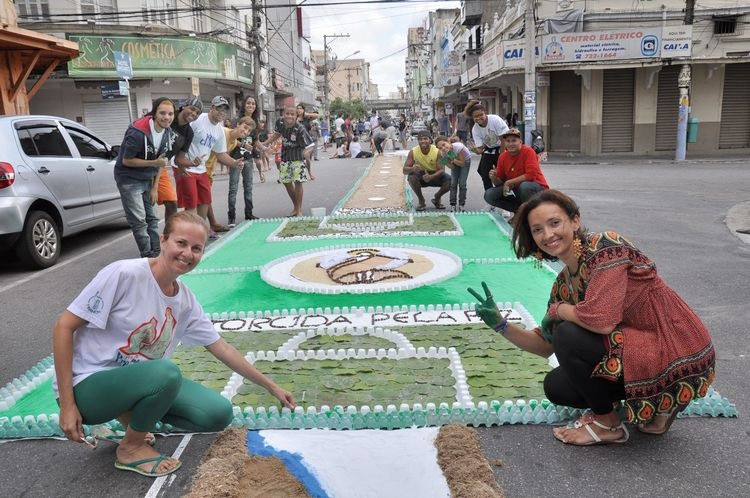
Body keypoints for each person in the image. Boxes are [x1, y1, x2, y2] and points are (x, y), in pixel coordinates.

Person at [53, 211, 295, 477]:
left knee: (217, 413)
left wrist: (272, 387)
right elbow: (64, 327)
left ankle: (130, 419)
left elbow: (222, 348)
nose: (187, 254)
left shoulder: (185, 301)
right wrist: (67, 405)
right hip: (87, 387)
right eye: (181, 243)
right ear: (164, 240)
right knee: (166, 373)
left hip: (131, 383)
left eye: (196, 248)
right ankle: (131, 448)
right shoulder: (124, 274)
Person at [468, 189, 715, 446]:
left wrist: (558, 311)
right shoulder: (564, 284)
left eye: (555, 223)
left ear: (575, 221)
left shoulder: (606, 247)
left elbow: (601, 321)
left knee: (567, 333)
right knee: (557, 386)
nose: (548, 234)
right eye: (537, 229)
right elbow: (545, 345)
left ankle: (609, 423)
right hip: (638, 346)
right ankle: (654, 402)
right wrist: (501, 324)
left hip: (675, 344)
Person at [114, 97, 177, 258]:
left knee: (153, 218)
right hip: (128, 178)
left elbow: (161, 162)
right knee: (139, 221)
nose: (167, 117)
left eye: (170, 114)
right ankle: (147, 255)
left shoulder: (168, 133)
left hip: (148, 178)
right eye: (162, 113)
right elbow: (126, 160)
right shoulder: (137, 132)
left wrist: (155, 187)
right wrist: (153, 162)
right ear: (154, 113)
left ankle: (157, 254)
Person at [177, 96, 243, 224]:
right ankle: (189, 233)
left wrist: (234, 163)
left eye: (225, 109)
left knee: (205, 201)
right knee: (191, 204)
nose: (222, 112)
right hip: (186, 166)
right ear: (212, 108)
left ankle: (200, 229)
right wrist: (180, 162)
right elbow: (180, 137)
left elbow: (220, 154)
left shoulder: (219, 130)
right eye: (219, 108)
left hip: (201, 169)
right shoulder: (198, 120)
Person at [262, 105, 315, 217]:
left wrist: (307, 153)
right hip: (285, 157)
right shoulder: (280, 123)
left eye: (292, 114)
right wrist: (265, 143)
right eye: (287, 113)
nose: (289, 116)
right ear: (283, 114)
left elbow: (311, 144)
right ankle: (295, 206)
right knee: (286, 182)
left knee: (298, 182)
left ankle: (299, 210)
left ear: (296, 116)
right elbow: (277, 134)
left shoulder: (300, 128)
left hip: (297, 158)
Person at [485, 128, 549, 217]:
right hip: (517, 190)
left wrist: (509, 182)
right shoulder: (503, 156)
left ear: (520, 142)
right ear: (505, 143)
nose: (510, 144)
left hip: (536, 189)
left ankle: (532, 215)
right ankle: (520, 212)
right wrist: (494, 177)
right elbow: (499, 183)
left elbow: (531, 175)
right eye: (508, 141)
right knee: (489, 195)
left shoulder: (528, 151)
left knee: (525, 186)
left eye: (514, 140)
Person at [157, 97, 203, 221]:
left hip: (159, 168)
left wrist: (192, 163)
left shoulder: (189, 133)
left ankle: (169, 236)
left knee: (172, 203)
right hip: (145, 163)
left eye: (197, 113)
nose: (194, 114)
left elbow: (179, 159)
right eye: (192, 109)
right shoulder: (170, 118)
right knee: (148, 207)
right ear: (184, 106)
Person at [205, 117, 255, 225]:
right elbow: (220, 155)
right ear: (238, 124)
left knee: (205, 199)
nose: (246, 132)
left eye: (249, 131)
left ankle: (212, 224)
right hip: (199, 167)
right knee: (201, 200)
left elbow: (234, 142)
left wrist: (243, 145)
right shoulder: (222, 132)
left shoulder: (233, 141)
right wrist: (234, 162)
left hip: (208, 170)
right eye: (245, 127)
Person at [466, 99, 509, 196]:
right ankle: (490, 196)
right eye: (475, 116)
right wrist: (475, 150)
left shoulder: (495, 119)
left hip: (504, 147)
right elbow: (481, 149)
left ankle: (505, 199)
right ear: (472, 118)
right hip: (489, 150)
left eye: (481, 115)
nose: (479, 118)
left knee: (502, 174)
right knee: (483, 173)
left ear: (485, 113)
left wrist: (501, 160)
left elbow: (504, 140)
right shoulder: (475, 129)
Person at [403, 131, 451, 211]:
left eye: (425, 139)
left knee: (450, 181)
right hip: (421, 175)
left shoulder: (437, 151)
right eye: (420, 139)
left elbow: (442, 170)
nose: (423, 141)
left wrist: (431, 176)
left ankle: (437, 198)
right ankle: (421, 200)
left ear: (430, 140)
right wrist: (412, 168)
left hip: (435, 174)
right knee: (411, 176)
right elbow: (404, 170)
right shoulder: (413, 151)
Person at [435, 135, 471, 212]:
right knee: (453, 183)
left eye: (444, 145)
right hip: (455, 162)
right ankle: (452, 204)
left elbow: (462, 164)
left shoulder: (458, 147)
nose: (443, 148)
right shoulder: (443, 154)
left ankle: (462, 204)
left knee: (462, 183)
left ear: (448, 141)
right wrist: (448, 160)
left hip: (465, 161)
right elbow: (452, 167)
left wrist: (453, 160)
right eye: (440, 148)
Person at [238, 96, 264, 183]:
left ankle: (261, 173)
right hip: (236, 155)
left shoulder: (255, 121)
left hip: (249, 154)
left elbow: (255, 140)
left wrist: (265, 149)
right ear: (244, 105)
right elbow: (231, 138)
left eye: (253, 104)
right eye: (248, 103)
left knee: (248, 185)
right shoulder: (237, 119)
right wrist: (243, 145)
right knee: (234, 187)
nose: (251, 105)